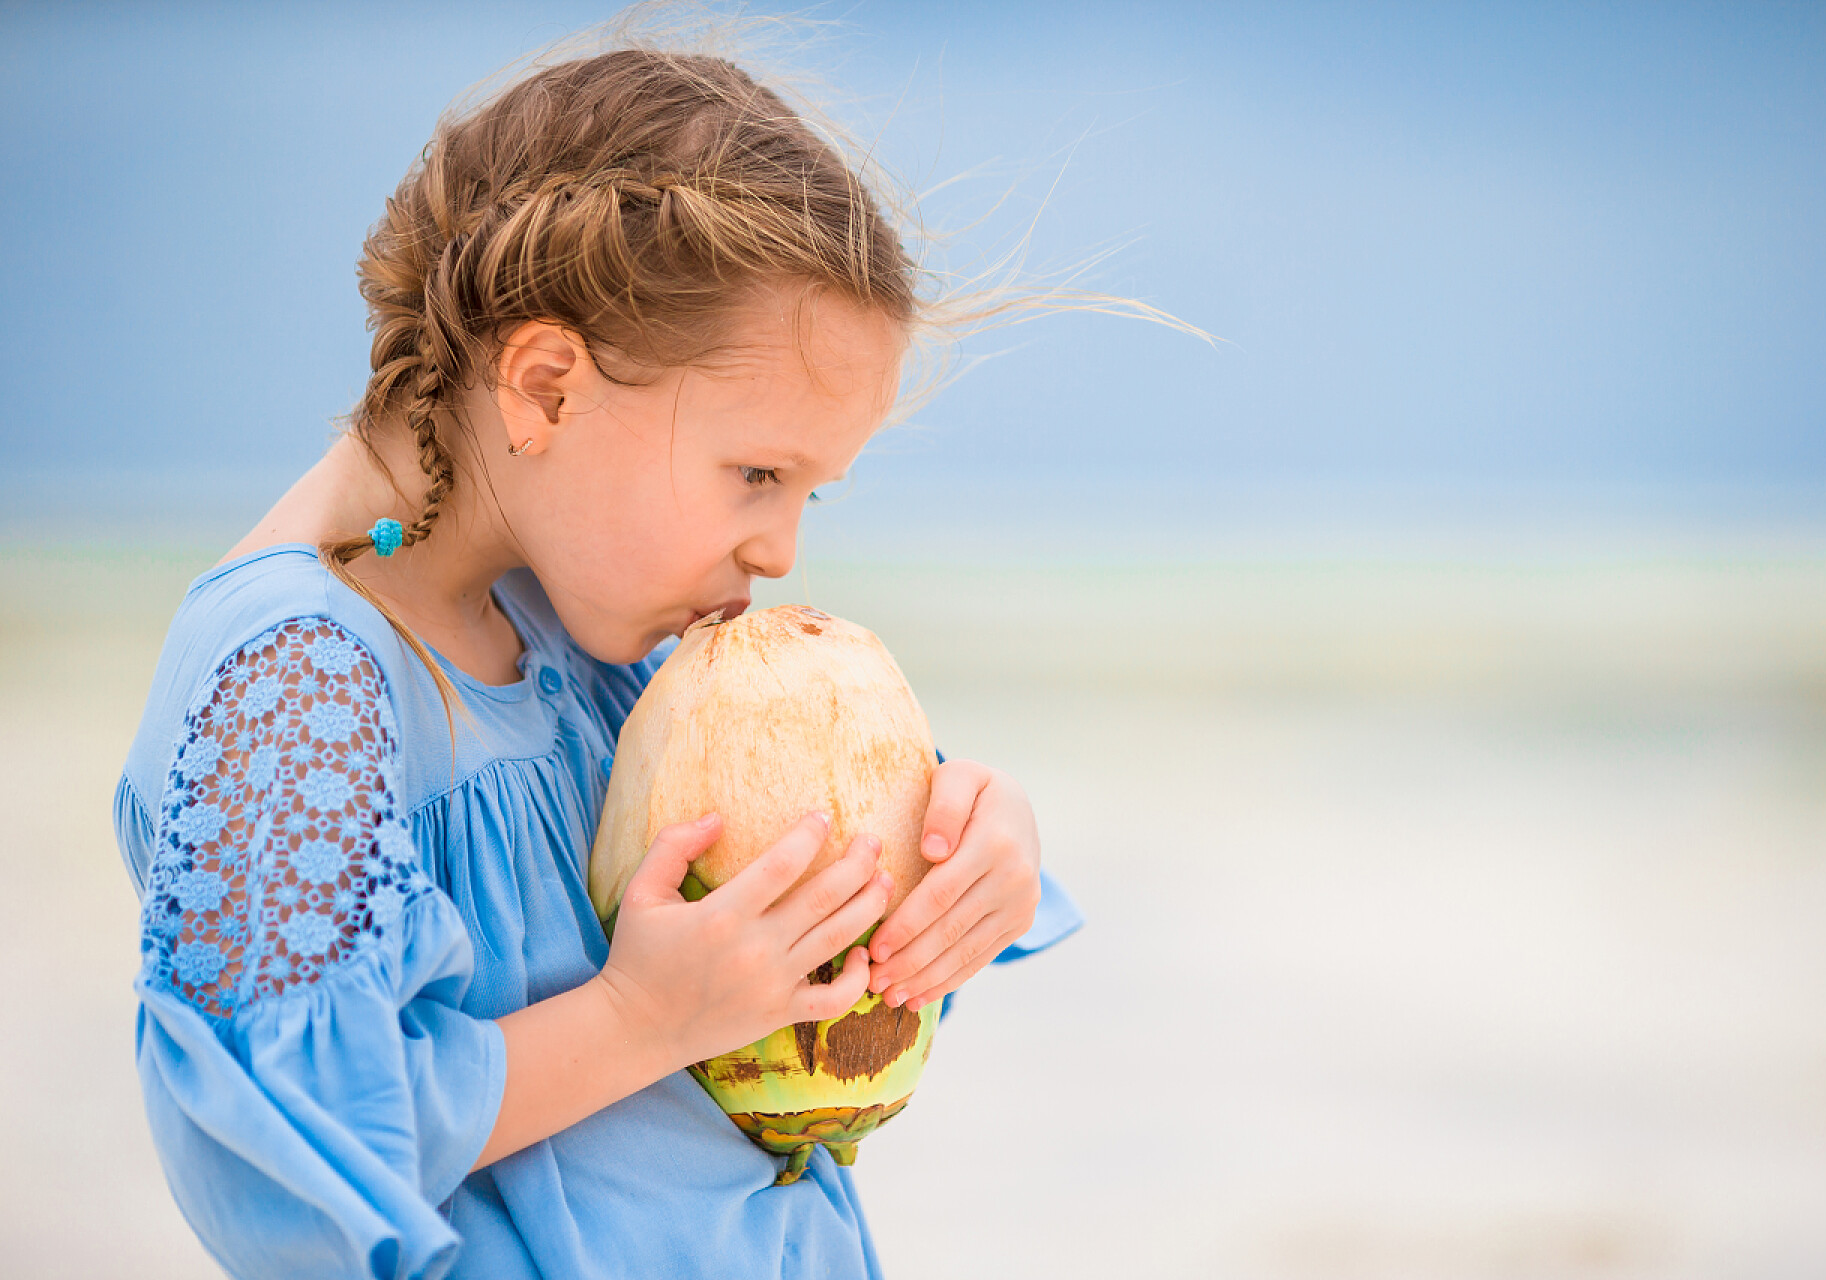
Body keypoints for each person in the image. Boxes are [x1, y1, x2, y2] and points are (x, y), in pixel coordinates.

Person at [112, 33, 1093, 1280]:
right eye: (758, 472)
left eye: (811, 493)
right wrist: (638, 1016)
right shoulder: (293, 680)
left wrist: (967, 859)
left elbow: (790, 1013)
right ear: (545, 390)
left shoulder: (601, 652)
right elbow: (279, 1149)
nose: (782, 548)